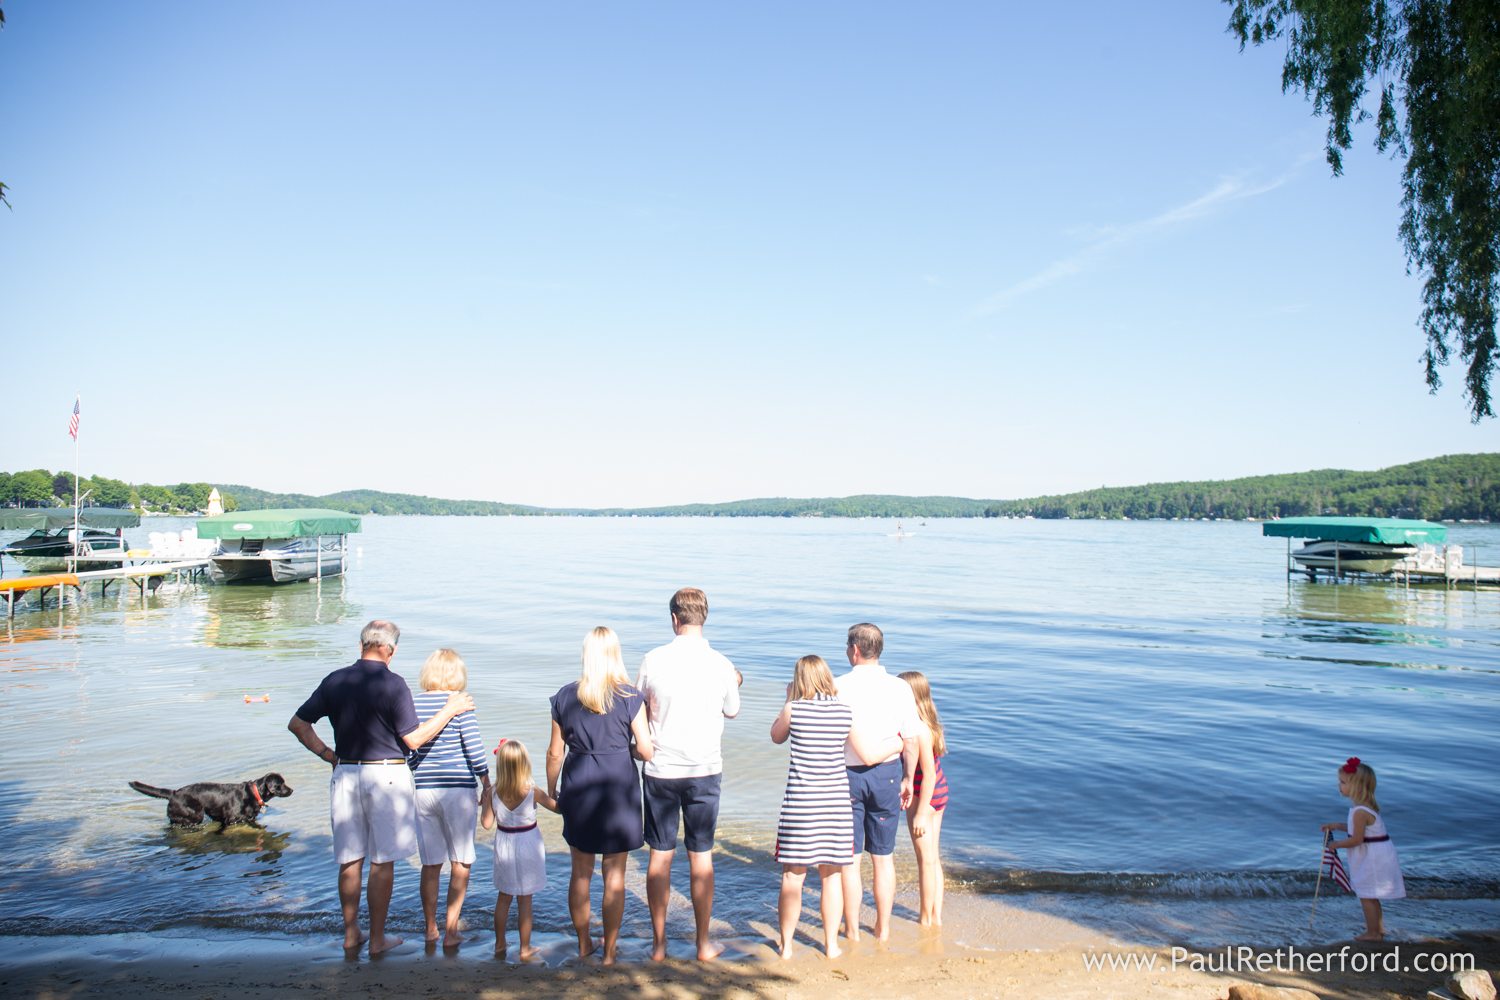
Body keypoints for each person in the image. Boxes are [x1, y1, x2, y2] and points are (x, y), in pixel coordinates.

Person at [288, 620, 474, 955]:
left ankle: (351, 934)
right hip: (386, 775)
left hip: (346, 773)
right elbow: (413, 739)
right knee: (382, 860)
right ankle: (376, 939)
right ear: (391, 650)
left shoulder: (335, 680)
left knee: (350, 859)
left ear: (361, 645)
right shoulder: (394, 684)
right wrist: (449, 710)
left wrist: (329, 755)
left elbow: (298, 724)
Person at [635, 587, 742, 962]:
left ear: (674, 619)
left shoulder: (653, 659)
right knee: (701, 856)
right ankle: (703, 944)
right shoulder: (721, 664)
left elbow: (637, 709)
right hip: (704, 769)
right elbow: (732, 710)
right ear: (704, 618)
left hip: (661, 769)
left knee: (660, 855)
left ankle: (659, 944)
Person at [770, 655, 902, 959]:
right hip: (836, 805)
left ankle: (786, 946)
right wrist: (896, 745)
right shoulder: (844, 712)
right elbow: (867, 754)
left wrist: (788, 698)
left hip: (801, 803)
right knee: (831, 877)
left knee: (793, 877)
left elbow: (776, 736)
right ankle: (831, 945)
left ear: (800, 680)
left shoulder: (794, 709)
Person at [547, 626, 654, 965]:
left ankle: (583, 944)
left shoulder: (565, 697)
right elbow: (646, 750)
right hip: (618, 786)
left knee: (580, 872)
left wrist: (551, 791)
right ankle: (609, 951)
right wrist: (628, 751)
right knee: (615, 875)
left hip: (579, 785)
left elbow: (554, 753)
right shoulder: (630, 697)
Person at [834, 622, 920, 942]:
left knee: (851, 861)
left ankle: (852, 929)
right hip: (887, 773)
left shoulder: (837, 686)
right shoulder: (899, 687)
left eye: (848, 647)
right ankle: (883, 928)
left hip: (847, 776)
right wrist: (909, 778)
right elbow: (911, 740)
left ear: (855, 650)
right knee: (883, 858)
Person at [407, 648, 490, 949]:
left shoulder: (413, 704)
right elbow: (474, 749)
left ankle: (431, 928)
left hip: (423, 790)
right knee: (461, 861)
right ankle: (451, 929)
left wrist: (420, 770)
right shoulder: (460, 703)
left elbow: (408, 751)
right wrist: (486, 780)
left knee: (430, 863)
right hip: (457, 789)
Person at [481, 737, 558, 959]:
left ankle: (500, 944)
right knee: (525, 899)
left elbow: (486, 824)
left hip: (505, 844)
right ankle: (525, 948)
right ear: (525, 763)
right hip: (528, 844)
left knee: (504, 897)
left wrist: (486, 801)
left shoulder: (493, 792)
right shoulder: (532, 791)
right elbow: (558, 808)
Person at [1322, 756, 1405, 941]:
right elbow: (1358, 830)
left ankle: (1373, 933)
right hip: (1375, 852)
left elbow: (1357, 839)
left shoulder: (1360, 812)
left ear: (1356, 787)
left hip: (1372, 857)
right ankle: (1378, 929)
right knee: (1371, 894)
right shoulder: (1363, 808)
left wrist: (1336, 845)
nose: (1339, 786)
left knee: (1367, 895)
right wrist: (1337, 826)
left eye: (1343, 782)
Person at [898, 670, 949, 927]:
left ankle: (926, 918)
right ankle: (935, 915)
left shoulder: (917, 729)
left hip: (925, 794)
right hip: (939, 791)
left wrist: (920, 812)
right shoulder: (928, 723)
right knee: (932, 857)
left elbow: (927, 774)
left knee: (925, 860)